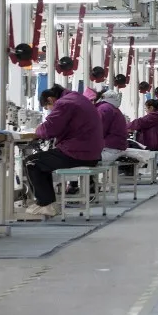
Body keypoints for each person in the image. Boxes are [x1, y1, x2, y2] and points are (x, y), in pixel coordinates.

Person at [25, 84, 103, 217]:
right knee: (43, 161)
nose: (49, 110)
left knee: (31, 162)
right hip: (91, 152)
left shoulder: (64, 103)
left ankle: (46, 204)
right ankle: (48, 202)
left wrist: (38, 129)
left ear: (50, 100)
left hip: (78, 153)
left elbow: (49, 128)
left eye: (47, 107)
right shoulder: (77, 98)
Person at [95, 89, 129, 163]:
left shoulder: (103, 108)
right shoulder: (114, 108)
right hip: (117, 146)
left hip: (108, 147)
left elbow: (99, 130)